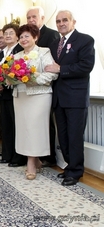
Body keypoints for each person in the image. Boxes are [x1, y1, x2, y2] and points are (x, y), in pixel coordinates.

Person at [45, 10, 95, 186]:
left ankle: (75, 171)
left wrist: (61, 69)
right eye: (58, 21)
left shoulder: (85, 40)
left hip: (75, 98)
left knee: (74, 136)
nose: (61, 23)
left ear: (74, 21)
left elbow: (86, 66)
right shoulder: (54, 45)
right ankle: (69, 166)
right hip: (58, 98)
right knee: (63, 136)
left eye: (65, 20)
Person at [12, 23, 58, 180]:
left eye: (27, 36)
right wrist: (8, 80)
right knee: (24, 129)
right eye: (21, 37)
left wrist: (33, 80)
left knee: (34, 129)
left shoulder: (44, 52)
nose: (23, 39)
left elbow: (52, 74)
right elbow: (10, 78)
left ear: (35, 37)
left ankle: (30, 163)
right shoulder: (16, 56)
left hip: (39, 95)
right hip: (21, 96)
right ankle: (36, 160)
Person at [27, 6, 60, 167]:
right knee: (31, 124)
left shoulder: (52, 34)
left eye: (34, 16)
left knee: (46, 123)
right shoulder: (25, 39)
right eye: (28, 17)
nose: (31, 19)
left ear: (42, 18)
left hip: (47, 86)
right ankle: (34, 156)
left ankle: (48, 156)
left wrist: (37, 77)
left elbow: (53, 64)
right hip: (27, 90)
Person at [0, 24, 26, 168]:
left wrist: (4, 85)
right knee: (6, 125)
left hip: (15, 92)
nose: (7, 36)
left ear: (17, 35)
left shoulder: (20, 50)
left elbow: (18, 73)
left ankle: (18, 157)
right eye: (5, 33)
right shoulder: (1, 53)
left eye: (11, 33)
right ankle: (7, 154)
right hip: (3, 94)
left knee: (16, 125)